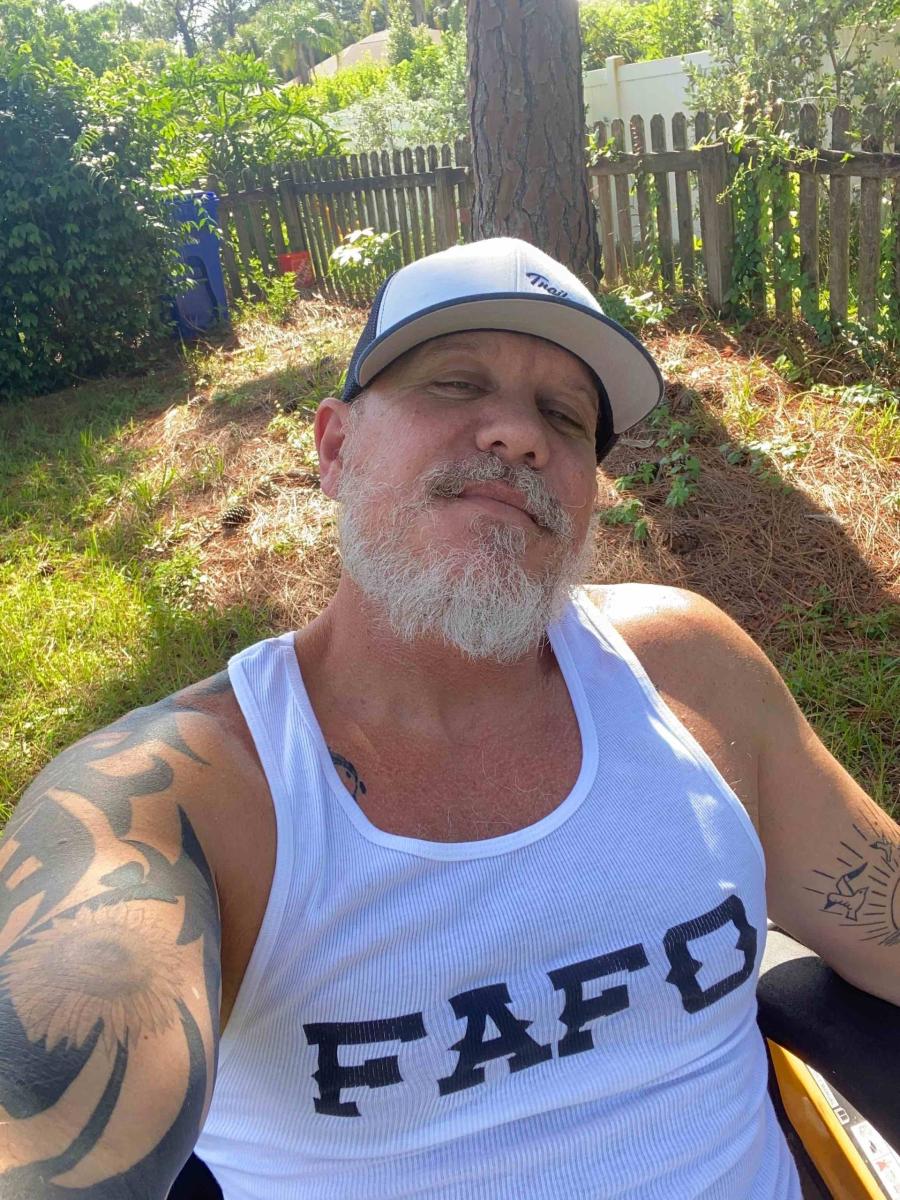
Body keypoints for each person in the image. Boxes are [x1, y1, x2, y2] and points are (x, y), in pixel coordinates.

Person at [0, 238, 897, 1200]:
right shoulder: (177, 799)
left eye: (565, 416)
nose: (518, 435)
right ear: (335, 448)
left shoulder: (689, 674)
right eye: (456, 384)